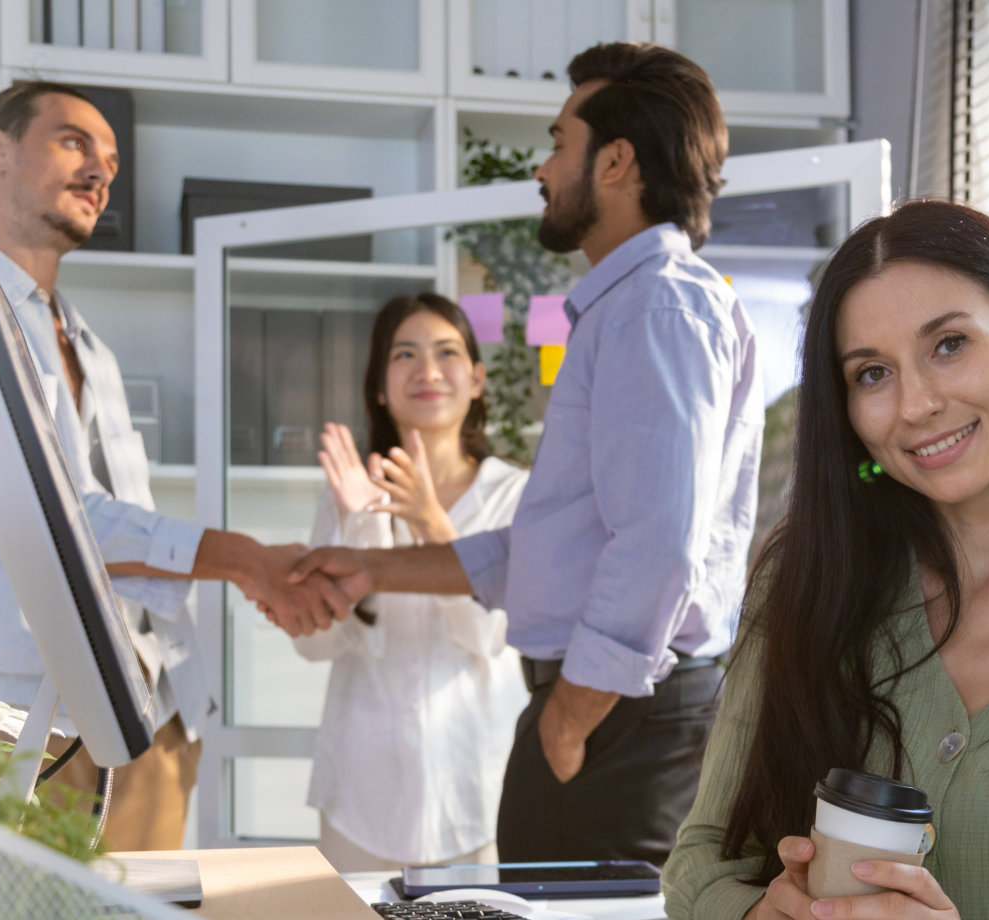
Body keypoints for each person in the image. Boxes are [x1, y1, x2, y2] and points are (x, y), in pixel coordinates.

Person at [286, 42, 757, 865]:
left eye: (558, 142)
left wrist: (570, 717)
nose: (543, 168)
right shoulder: (630, 309)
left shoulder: (655, 308)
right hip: (611, 708)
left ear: (614, 163)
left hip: (617, 715)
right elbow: (547, 553)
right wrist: (373, 571)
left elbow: (657, 545)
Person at [0, 81, 350, 850]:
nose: (100, 172)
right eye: (74, 142)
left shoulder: (94, 350)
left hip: (146, 721)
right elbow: (32, 511)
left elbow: (113, 534)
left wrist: (240, 586)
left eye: (111, 161)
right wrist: (245, 560)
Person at [662, 202, 989, 918]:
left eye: (950, 344)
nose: (916, 404)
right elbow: (703, 858)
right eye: (872, 374)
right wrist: (753, 913)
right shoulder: (808, 585)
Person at [289, 293, 530, 872]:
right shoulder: (348, 493)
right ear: (379, 385)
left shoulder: (514, 495)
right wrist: (360, 523)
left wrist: (429, 521)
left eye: (447, 352)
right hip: (360, 793)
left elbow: (490, 638)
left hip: (477, 792)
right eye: (404, 354)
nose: (426, 371)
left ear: (476, 379)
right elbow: (315, 643)